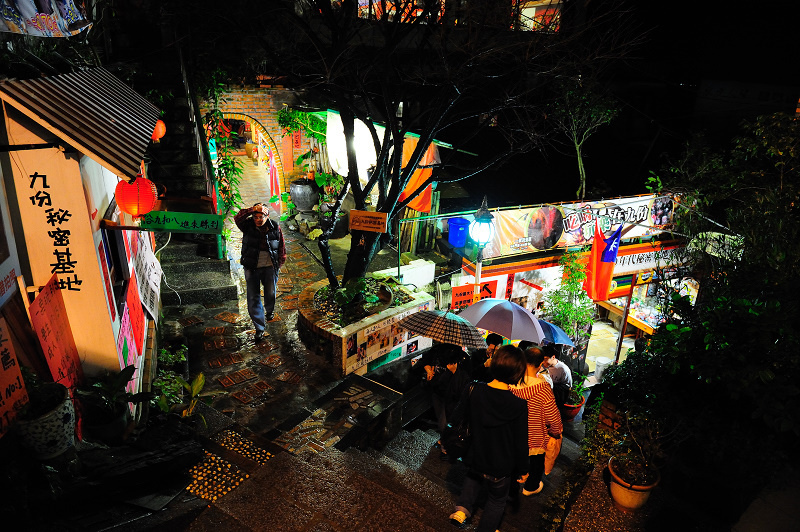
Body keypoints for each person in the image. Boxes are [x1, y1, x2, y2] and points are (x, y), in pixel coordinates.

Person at [448, 345, 528, 531]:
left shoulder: (474, 389)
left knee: (474, 476)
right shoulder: (518, 404)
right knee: (497, 500)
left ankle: (462, 510)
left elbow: (457, 417)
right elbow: (520, 441)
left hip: (475, 454)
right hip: (501, 465)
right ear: (517, 372)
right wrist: (524, 469)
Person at [510, 347, 562, 496]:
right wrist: (556, 431)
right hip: (536, 437)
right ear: (540, 365)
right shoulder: (543, 388)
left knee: (515, 459)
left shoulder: (510, 382)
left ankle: (516, 479)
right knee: (536, 463)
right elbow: (553, 416)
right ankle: (530, 487)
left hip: (514, 433)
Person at [234, 203, 286, 342]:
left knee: (270, 292)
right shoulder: (247, 225)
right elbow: (238, 218)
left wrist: (278, 265)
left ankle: (269, 310)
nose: (258, 219)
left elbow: (281, 247)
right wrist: (253, 209)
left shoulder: (274, 227)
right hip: (251, 267)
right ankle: (259, 327)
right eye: (255, 216)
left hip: (270, 266)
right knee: (253, 297)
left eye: (261, 216)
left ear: (267, 216)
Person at [419, 343, 471, 460]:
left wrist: (454, 372)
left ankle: (446, 448)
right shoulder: (437, 350)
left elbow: (465, 382)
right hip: (437, 392)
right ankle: (444, 440)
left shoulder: (463, 359)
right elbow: (425, 360)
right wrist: (428, 370)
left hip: (452, 398)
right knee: (440, 419)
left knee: (444, 423)